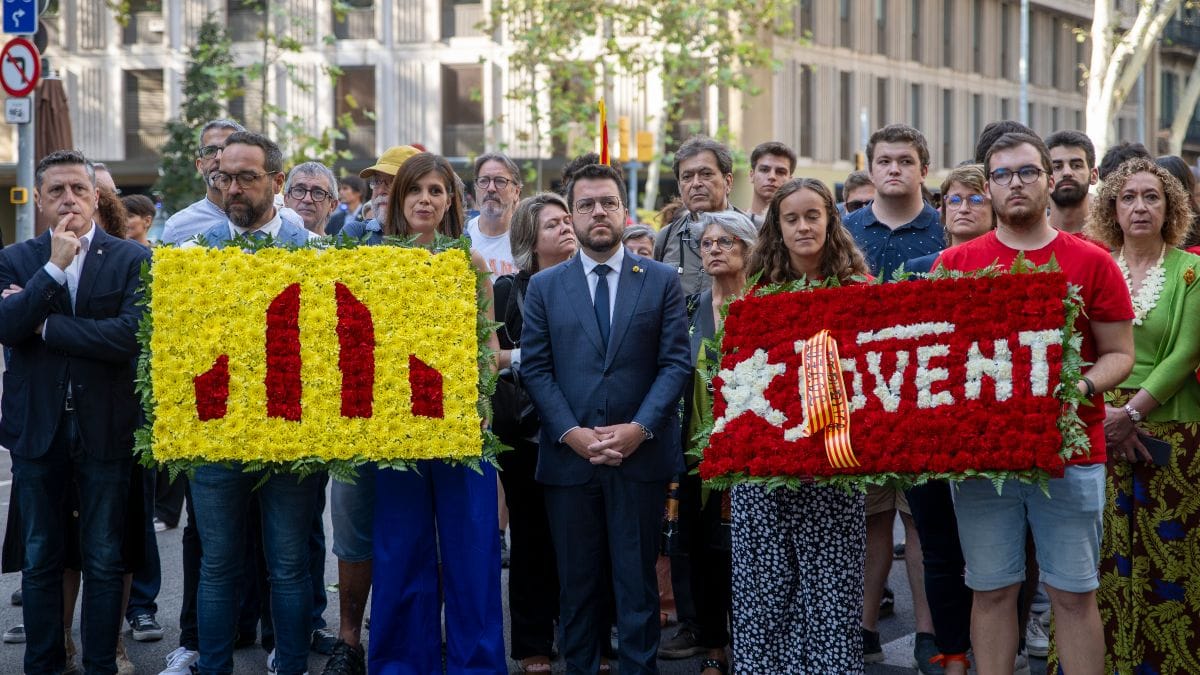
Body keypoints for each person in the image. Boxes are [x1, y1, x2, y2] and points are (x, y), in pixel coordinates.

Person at [935, 132, 1135, 675]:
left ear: (1050, 179)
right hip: (984, 460)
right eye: (1002, 175)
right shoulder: (954, 265)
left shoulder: (1092, 262)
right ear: (988, 186)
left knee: (1073, 595)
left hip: (1072, 453)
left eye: (1027, 172)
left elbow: (1118, 353)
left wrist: (1081, 388)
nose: (1015, 183)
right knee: (992, 589)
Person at [521, 162, 691, 673]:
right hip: (570, 462)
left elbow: (675, 363)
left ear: (624, 210)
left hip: (640, 460)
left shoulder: (660, 280)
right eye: (587, 204)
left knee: (637, 588)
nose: (599, 212)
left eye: (608, 203)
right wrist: (571, 433)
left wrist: (640, 429)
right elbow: (537, 368)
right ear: (570, 215)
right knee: (576, 588)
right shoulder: (545, 287)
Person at [0, 149, 151, 675]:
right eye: (57, 192)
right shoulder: (15, 259)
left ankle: (99, 665)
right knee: (41, 557)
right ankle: (42, 663)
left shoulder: (131, 258)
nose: (69, 200)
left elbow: (129, 336)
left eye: (79, 190)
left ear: (96, 197)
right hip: (38, 429)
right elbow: (6, 325)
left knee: (105, 556)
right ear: (39, 201)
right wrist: (53, 268)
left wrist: (46, 327)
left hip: (105, 426)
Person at [187, 132, 325, 675]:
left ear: (277, 182)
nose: (234, 188)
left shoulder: (316, 254)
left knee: (289, 566)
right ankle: (213, 666)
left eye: (247, 177)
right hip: (216, 436)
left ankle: (289, 665)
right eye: (225, 177)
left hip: (294, 435)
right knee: (218, 566)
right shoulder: (191, 257)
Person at [367, 152, 505, 675]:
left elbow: (487, 345)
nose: (426, 200)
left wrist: (483, 404)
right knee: (400, 552)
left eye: (436, 191)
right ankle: (402, 663)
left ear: (451, 201)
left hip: (462, 424)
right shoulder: (371, 261)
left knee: (472, 552)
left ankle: (477, 665)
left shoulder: (468, 262)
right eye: (416, 190)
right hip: (394, 428)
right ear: (399, 199)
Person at [732, 177, 870, 673]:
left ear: (831, 221)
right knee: (764, 591)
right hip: (766, 469)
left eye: (813, 215)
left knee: (830, 593)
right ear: (777, 227)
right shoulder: (756, 295)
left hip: (834, 466)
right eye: (791, 218)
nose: (803, 226)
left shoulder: (862, 292)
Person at [1082, 158, 1200, 675]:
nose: (1140, 207)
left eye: (1152, 197)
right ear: (1112, 207)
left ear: (1171, 207)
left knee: (1170, 565)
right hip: (1096, 425)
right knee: (1099, 561)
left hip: (1172, 433)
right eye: (1128, 197)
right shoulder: (1093, 265)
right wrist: (1104, 413)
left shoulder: (1193, 270)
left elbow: (1186, 353)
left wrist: (1128, 412)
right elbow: (1077, 347)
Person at [319, 144, 424, 675]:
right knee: (354, 531)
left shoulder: (443, 247)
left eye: (392, 183)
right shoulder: (350, 238)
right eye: (377, 184)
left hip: (417, 418)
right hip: (354, 411)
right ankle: (348, 641)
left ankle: (412, 636)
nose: (382, 193)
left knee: (417, 535)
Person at [843, 123, 941, 666]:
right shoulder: (847, 228)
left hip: (927, 395)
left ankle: (927, 631)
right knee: (871, 518)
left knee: (921, 518)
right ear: (872, 167)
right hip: (860, 399)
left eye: (905, 160)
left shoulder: (945, 227)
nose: (894, 169)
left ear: (923, 168)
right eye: (884, 161)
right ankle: (864, 629)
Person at [902, 164, 994, 675]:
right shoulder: (917, 269)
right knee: (938, 547)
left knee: (996, 555)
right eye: (954, 200)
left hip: (991, 430)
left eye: (975, 199)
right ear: (941, 211)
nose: (963, 208)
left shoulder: (1012, 270)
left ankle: (1000, 647)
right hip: (926, 433)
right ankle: (952, 651)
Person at [492, 193, 577, 672]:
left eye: (569, 221)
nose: (566, 229)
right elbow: (490, 357)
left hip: (582, 426)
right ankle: (532, 644)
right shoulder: (506, 290)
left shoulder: (588, 283)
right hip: (524, 430)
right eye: (553, 225)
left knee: (580, 536)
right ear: (530, 238)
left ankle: (582, 631)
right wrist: (533, 359)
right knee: (531, 539)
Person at [681, 210, 757, 675]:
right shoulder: (688, 308)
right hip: (694, 448)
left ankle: (754, 643)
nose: (713, 250)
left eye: (725, 242)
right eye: (707, 243)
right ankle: (714, 646)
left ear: (748, 248)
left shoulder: (765, 302)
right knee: (702, 548)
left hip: (754, 448)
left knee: (747, 551)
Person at [655, 136, 740, 297]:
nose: (696, 183)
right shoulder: (665, 238)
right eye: (687, 177)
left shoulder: (752, 234)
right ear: (680, 187)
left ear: (728, 182)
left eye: (706, 174)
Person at [161, 119, 246, 244]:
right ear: (200, 165)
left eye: (228, 149)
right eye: (210, 151)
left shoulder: (270, 217)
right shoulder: (177, 229)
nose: (218, 157)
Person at [337, 145, 424, 245]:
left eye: (393, 182)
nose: (381, 191)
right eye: (377, 181)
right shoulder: (357, 233)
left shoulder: (436, 239)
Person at [467, 152, 522, 279]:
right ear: (476, 188)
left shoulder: (529, 239)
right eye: (484, 181)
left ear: (516, 192)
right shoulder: (459, 234)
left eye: (500, 181)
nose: (491, 188)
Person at [1045, 130, 1098, 235]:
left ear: (1094, 175)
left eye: (1076, 165)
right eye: (1057, 167)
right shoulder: (1029, 240)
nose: (1067, 173)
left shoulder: (1114, 241)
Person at [282, 162, 338, 235]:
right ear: (286, 199)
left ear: (332, 205)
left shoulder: (342, 247)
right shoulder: (265, 245)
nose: (307, 199)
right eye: (299, 190)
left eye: (318, 193)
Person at [747, 141, 796, 225]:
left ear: (790, 181)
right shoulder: (733, 226)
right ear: (752, 175)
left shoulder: (796, 228)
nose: (772, 176)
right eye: (764, 170)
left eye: (780, 172)